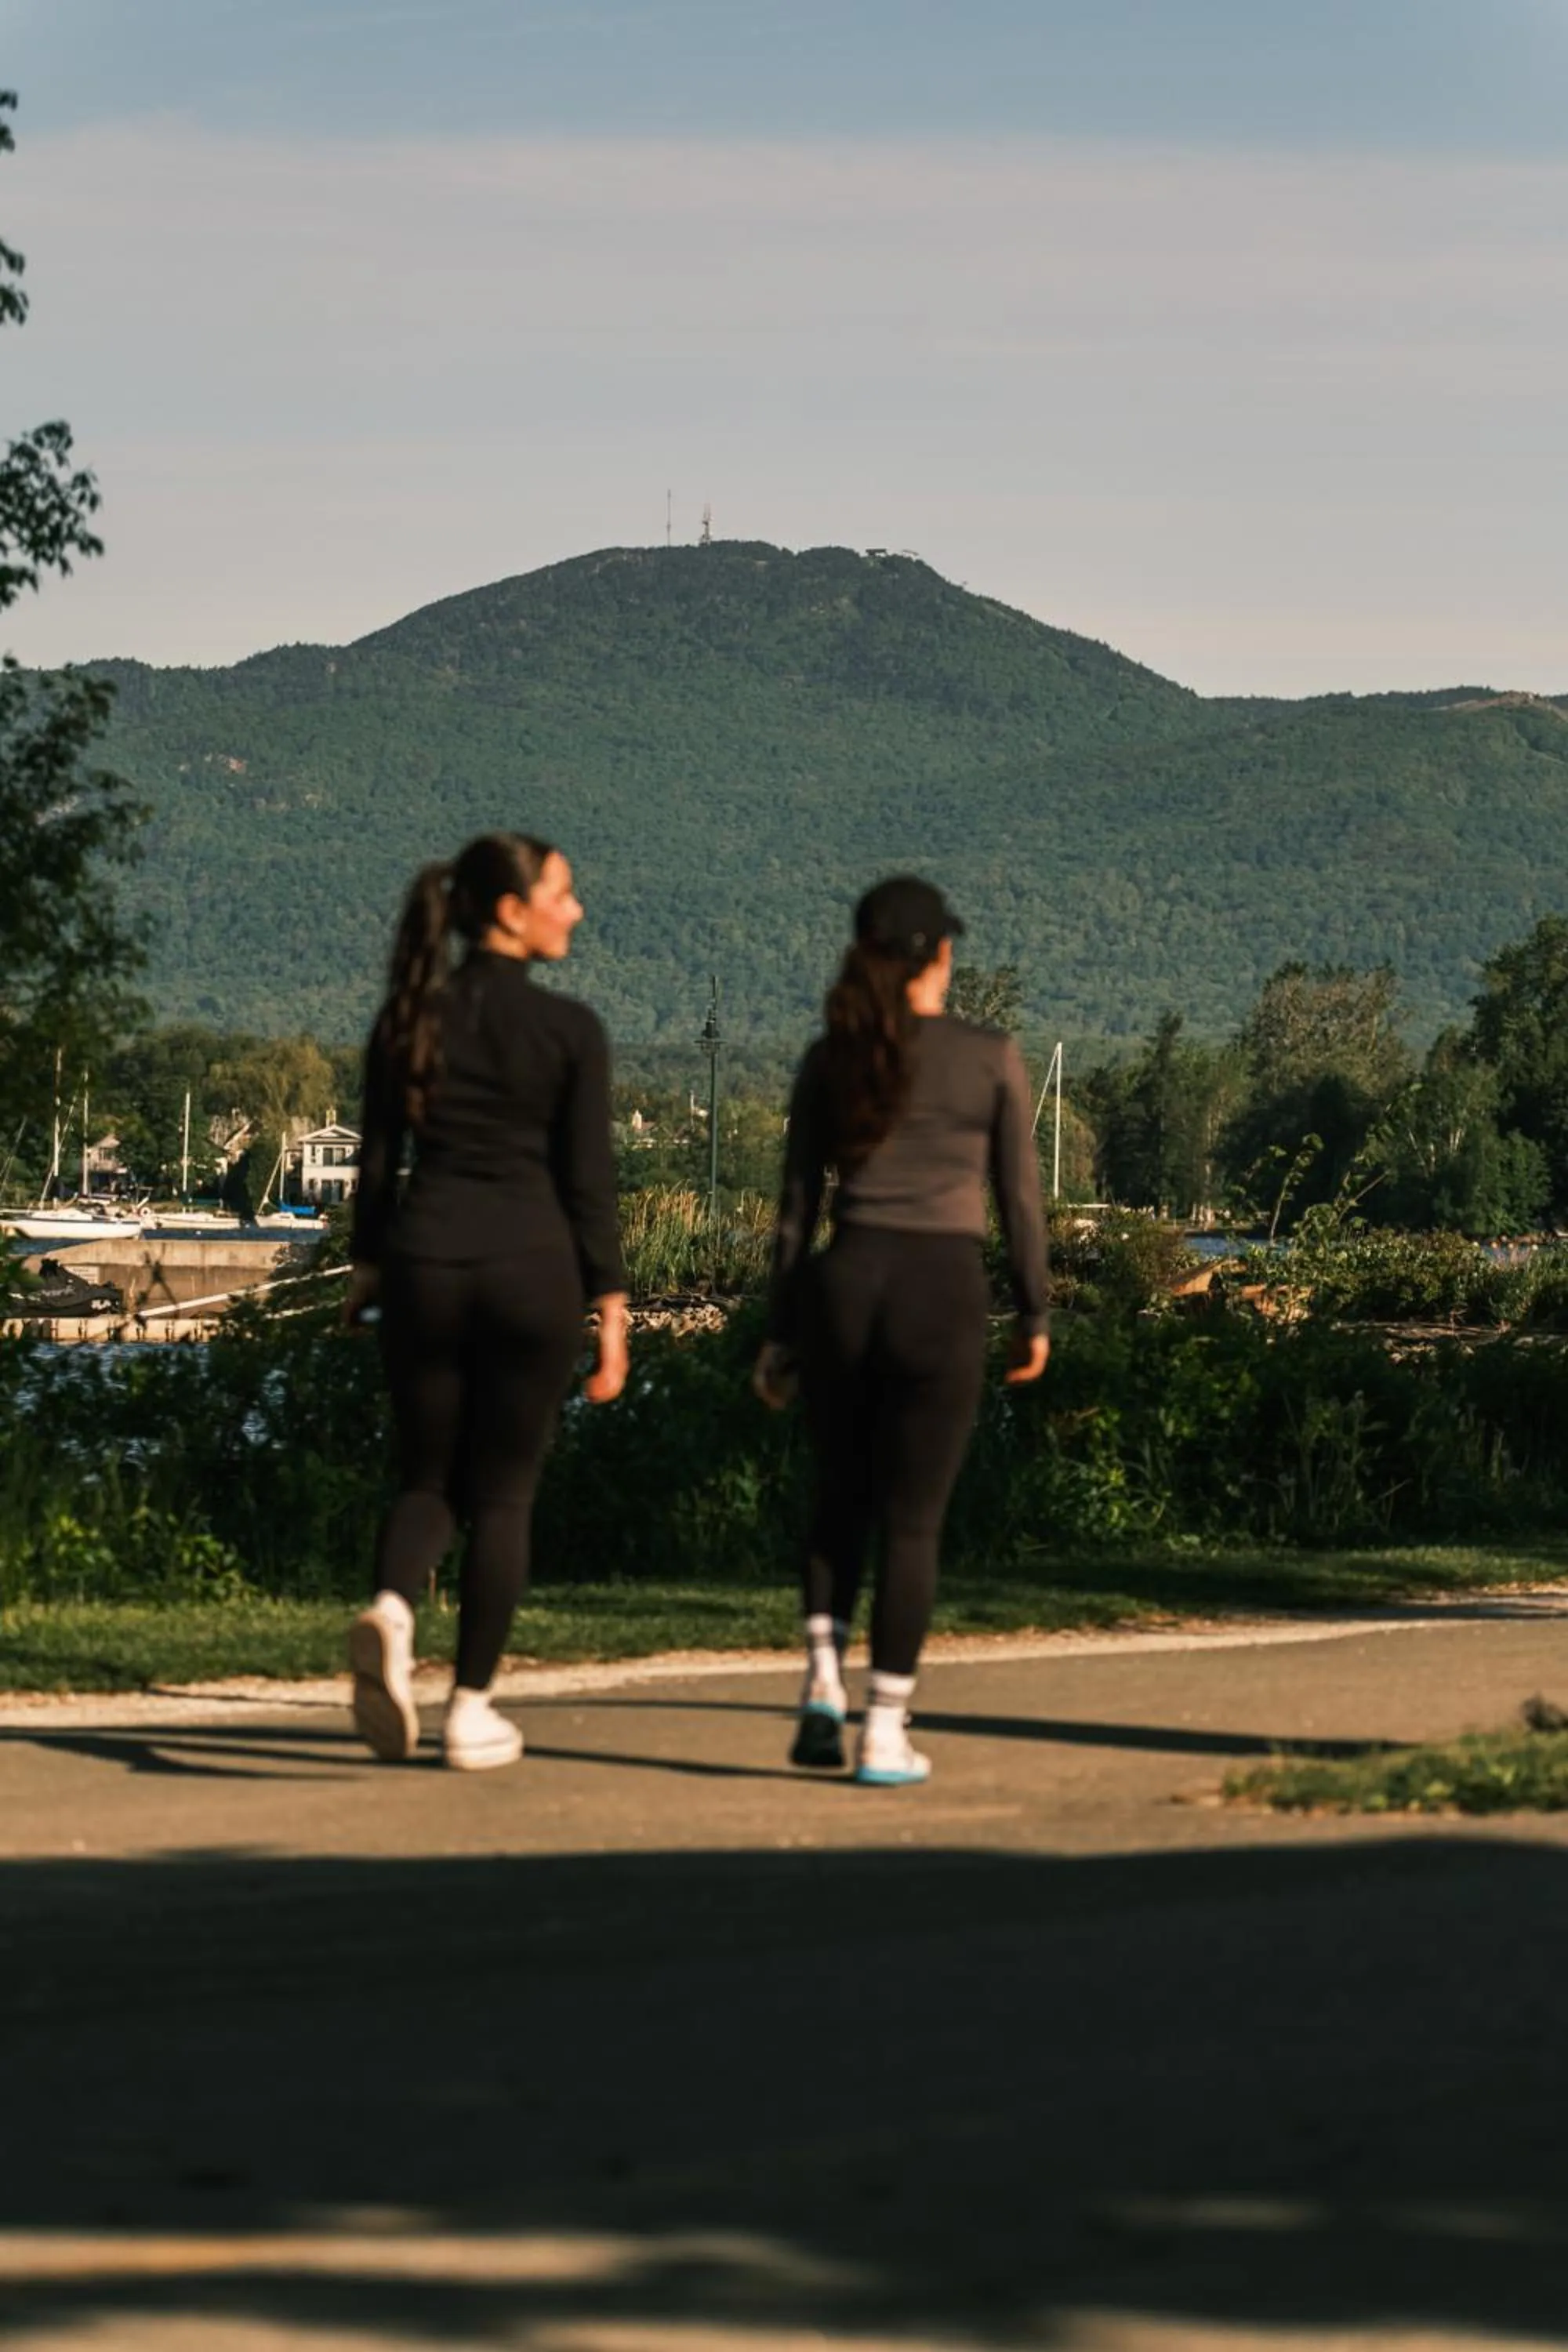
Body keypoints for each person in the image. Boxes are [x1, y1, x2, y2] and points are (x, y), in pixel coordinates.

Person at [754, 876, 1050, 1786]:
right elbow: (1018, 1203)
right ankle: (884, 1728)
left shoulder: (828, 1057)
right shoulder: (988, 1055)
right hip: (940, 1291)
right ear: (938, 955)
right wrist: (1033, 1308)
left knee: (838, 1494)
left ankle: (818, 1684)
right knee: (912, 1524)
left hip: (846, 1285)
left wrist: (779, 1332)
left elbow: (795, 1214)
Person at [344, 832, 628, 1770]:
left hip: (424, 1261)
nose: (575, 910)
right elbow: (588, 1183)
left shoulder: (407, 1019)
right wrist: (612, 1307)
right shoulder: (568, 1031)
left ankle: (391, 1607)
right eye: (564, 891)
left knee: (428, 1480)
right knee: (502, 1497)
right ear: (511, 909)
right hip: (529, 1270)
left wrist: (367, 1267)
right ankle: (470, 1710)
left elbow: (377, 1162)